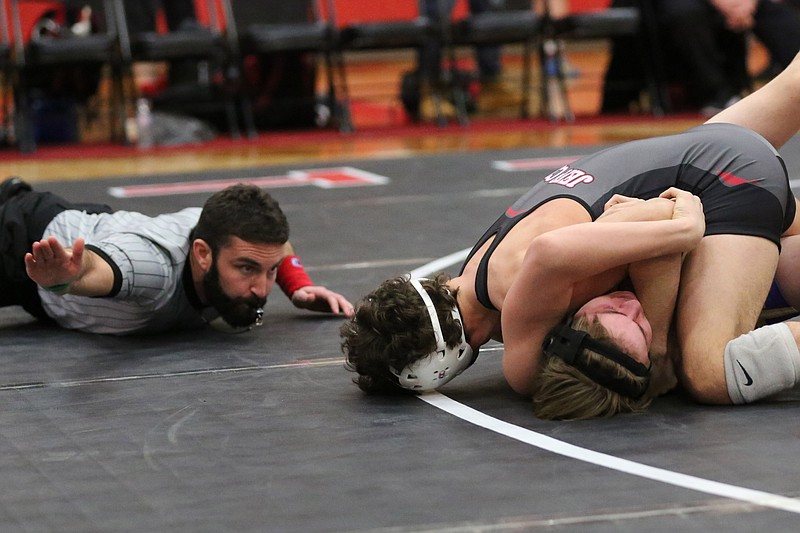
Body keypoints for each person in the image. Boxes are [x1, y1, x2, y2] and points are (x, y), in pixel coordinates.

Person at [341, 51, 800, 418]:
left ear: (441, 366)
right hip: (696, 153)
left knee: (710, 373)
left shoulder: (516, 279)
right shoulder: (480, 271)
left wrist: (659, 349)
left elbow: (655, 227)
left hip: (717, 180)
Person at [0, 179, 353, 335]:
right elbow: (97, 267)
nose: (261, 290)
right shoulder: (153, 267)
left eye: (270, 271)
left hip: (71, 254)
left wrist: (297, 285)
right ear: (202, 254)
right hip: (23, 243)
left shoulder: (232, 238)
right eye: (246, 269)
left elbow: (278, 244)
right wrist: (67, 277)